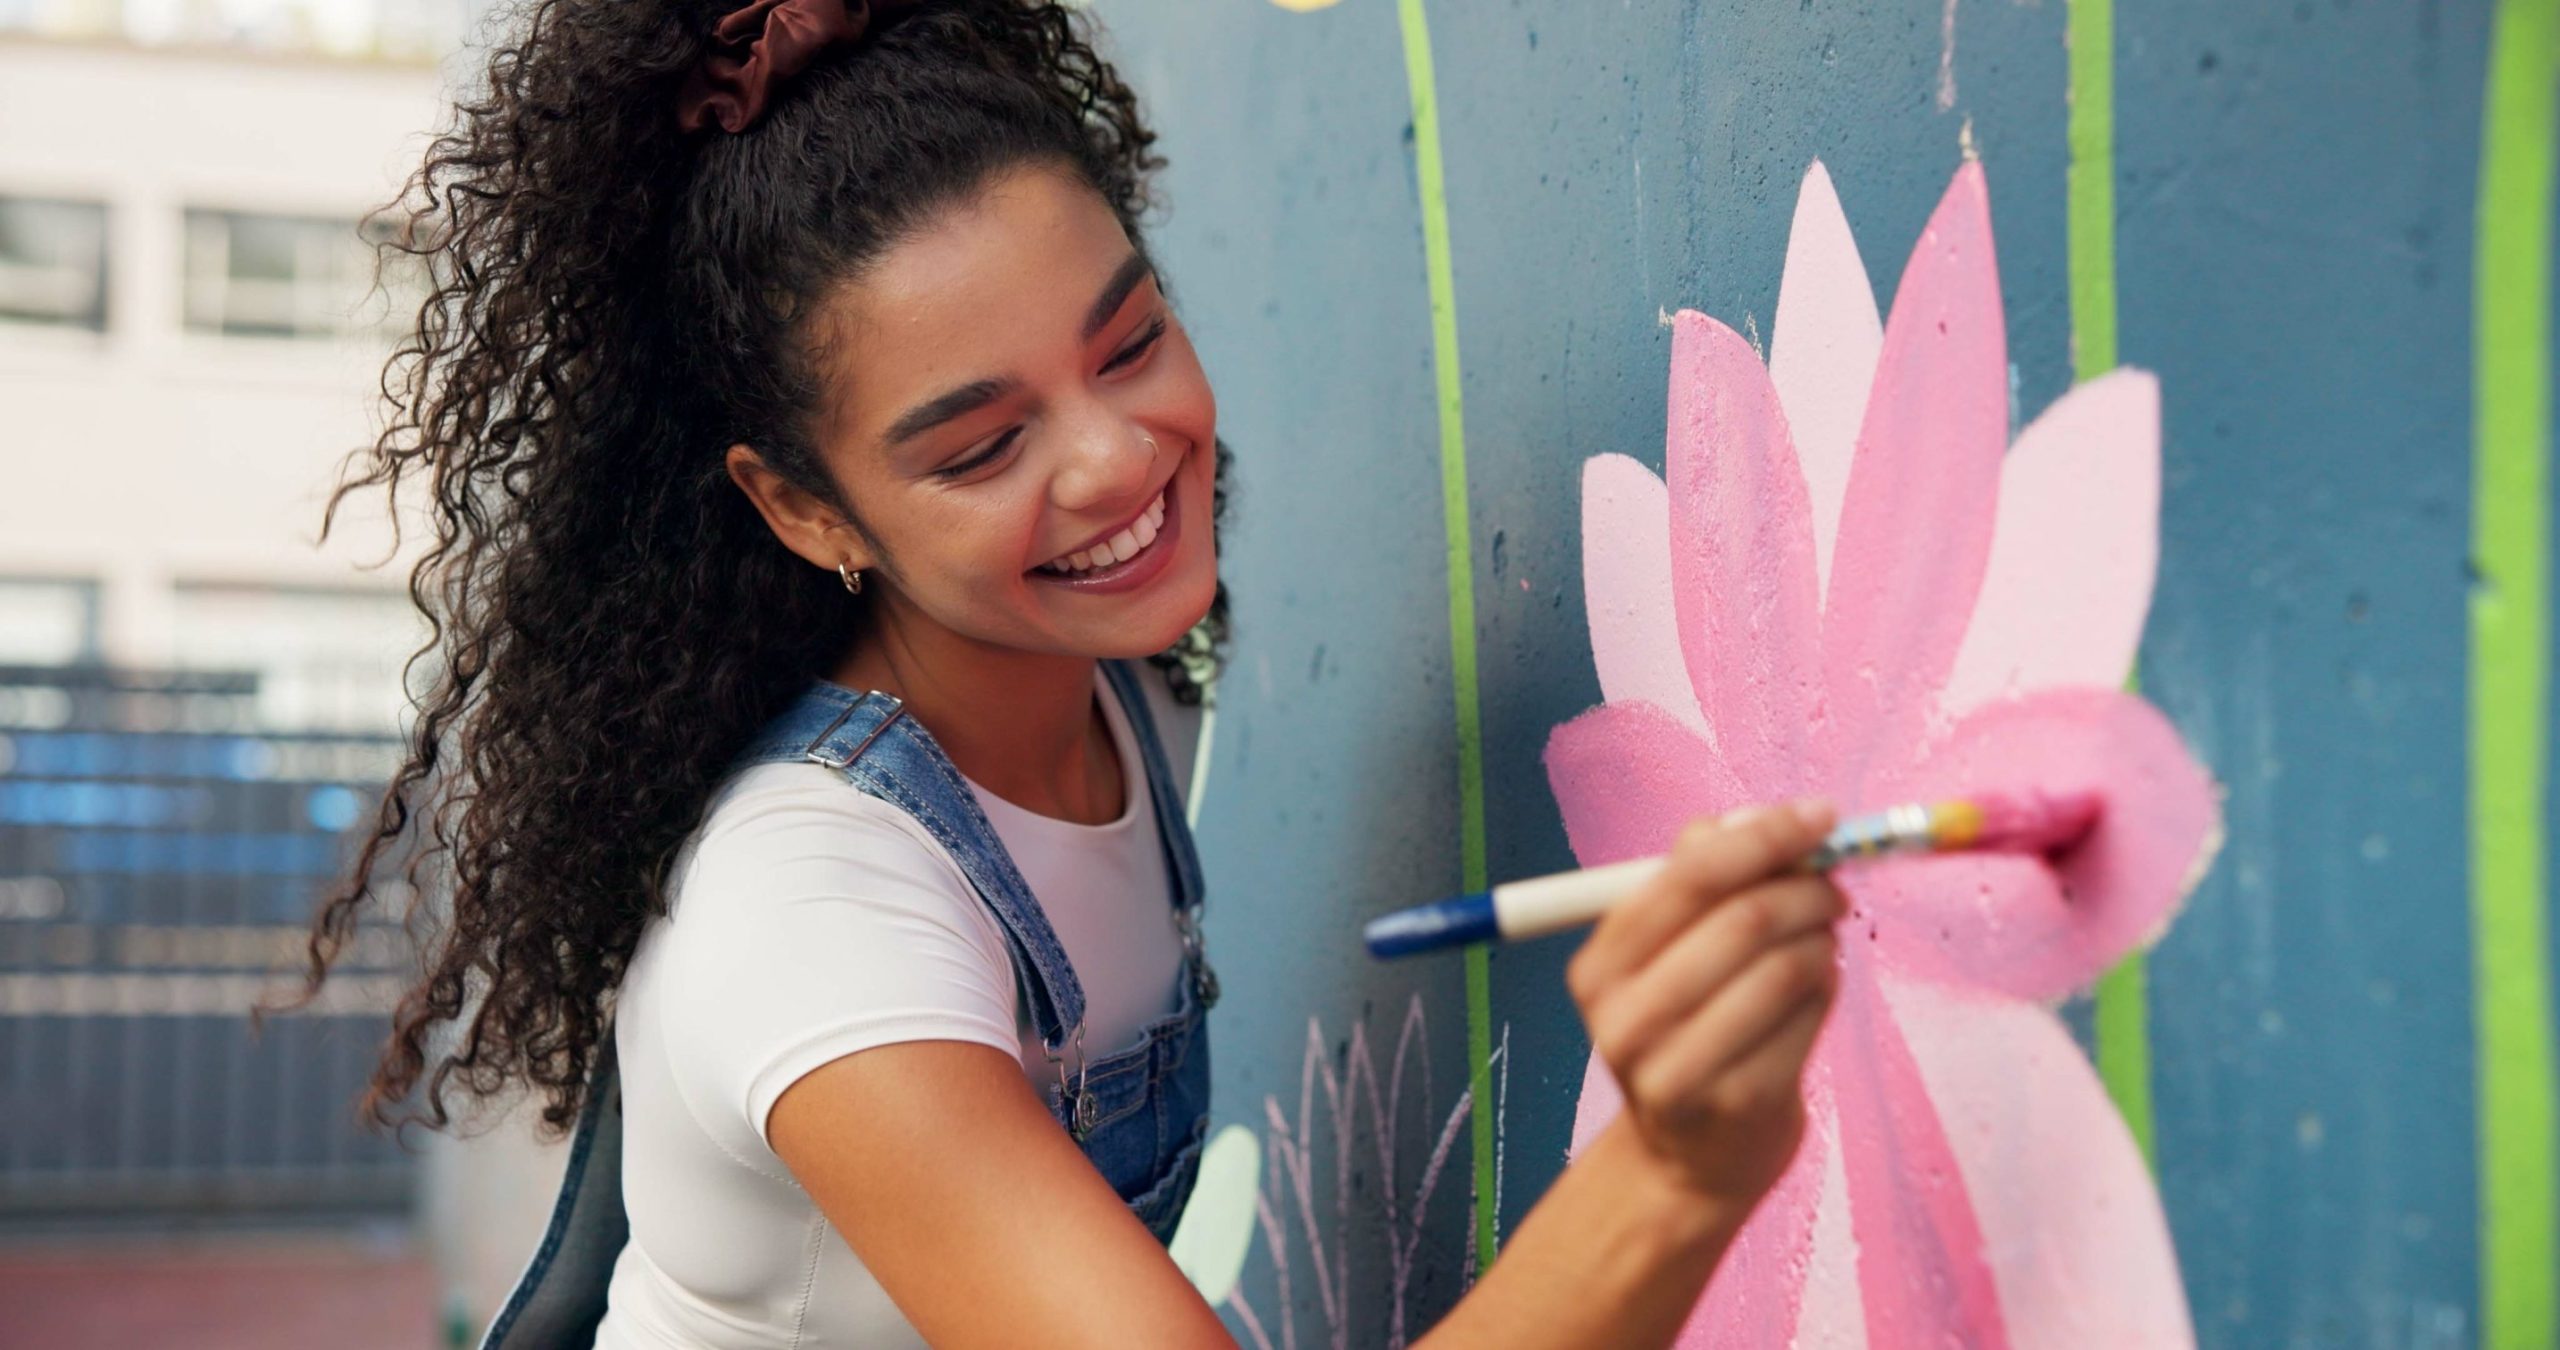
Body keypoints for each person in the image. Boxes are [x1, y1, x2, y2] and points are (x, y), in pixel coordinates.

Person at [287, 2, 1848, 1345]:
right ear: (807, 509)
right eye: (983, 446)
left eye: (1130, 343)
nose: (1115, 460)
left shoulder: (1131, 693)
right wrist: (1674, 1169)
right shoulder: (815, 913)